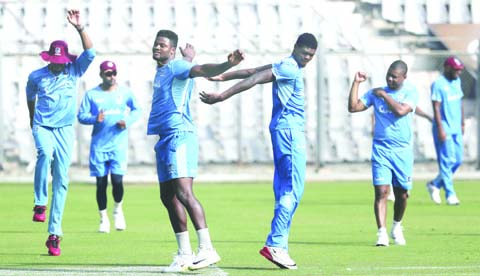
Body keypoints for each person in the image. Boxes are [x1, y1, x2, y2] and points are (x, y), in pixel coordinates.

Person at [200, 33, 318, 270]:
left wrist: (222, 76)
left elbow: (249, 71)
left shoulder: (286, 64)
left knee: (284, 189)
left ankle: (280, 245)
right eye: (305, 53)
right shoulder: (291, 68)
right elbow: (254, 79)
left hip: (280, 131)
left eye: (311, 56)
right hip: (290, 133)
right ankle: (275, 244)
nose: (307, 58)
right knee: (293, 189)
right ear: (295, 47)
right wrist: (221, 96)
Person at [147, 29, 244, 272]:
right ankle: (184, 254)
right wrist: (188, 58)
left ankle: (207, 249)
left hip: (179, 135)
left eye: (162, 45)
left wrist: (225, 64)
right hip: (165, 139)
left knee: (184, 193)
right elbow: (187, 69)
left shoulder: (176, 66)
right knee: (167, 197)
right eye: (155, 44)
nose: (157, 48)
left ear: (172, 50)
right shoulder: (167, 69)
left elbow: (201, 71)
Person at [26, 9, 95, 256]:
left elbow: (91, 53)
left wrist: (80, 27)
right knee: (44, 153)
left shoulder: (74, 70)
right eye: (54, 61)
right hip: (43, 125)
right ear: (48, 59)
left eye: (60, 61)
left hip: (65, 129)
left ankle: (54, 234)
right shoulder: (36, 76)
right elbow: (30, 99)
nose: (58, 65)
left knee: (62, 180)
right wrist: (33, 121)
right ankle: (39, 202)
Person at [347, 60, 419, 247]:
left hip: (402, 151)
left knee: (402, 194)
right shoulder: (376, 93)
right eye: (388, 75)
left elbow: (401, 110)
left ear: (404, 77)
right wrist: (356, 83)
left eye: (395, 76)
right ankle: (382, 233)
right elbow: (353, 107)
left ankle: (397, 226)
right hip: (381, 149)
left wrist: (384, 96)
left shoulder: (410, 92)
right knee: (382, 192)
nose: (390, 79)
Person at [77, 60, 141, 233]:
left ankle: (118, 210)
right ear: (101, 74)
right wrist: (93, 119)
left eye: (114, 73)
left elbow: (137, 110)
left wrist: (126, 121)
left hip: (118, 146)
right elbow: (81, 115)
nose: (111, 77)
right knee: (101, 183)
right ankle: (103, 218)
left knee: (118, 181)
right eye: (108, 73)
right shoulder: (92, 95)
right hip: (99, 145)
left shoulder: (125, 92)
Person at [426, 56, 465, 205]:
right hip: (444, 127)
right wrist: (440, 128)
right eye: (456, 70)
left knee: (458, 160)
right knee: (447, 161)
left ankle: (435, 184)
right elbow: (436, 107)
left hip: (456, 127)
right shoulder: (438, 84)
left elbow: (460, 102)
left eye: (460, 70)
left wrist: (462, 123)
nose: (458, 73)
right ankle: (450, 194)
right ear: (447, 68)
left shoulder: (457, 81)